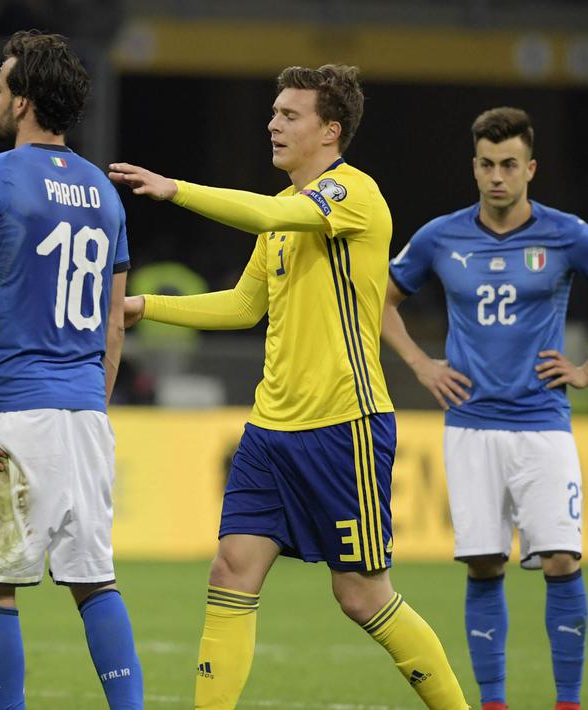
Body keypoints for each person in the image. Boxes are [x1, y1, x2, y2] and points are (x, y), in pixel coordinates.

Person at [110, 65, 469, 709]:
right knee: (232, 571)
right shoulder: (282, 218)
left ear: (330, 131)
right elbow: (246, 307)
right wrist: (146, 307)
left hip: (344, 425)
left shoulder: (354, 195)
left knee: (360, 595)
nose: (273, 123)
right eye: (273, 112)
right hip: (270, 430)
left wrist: (174, 189)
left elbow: (268, 213)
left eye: (290, 115)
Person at [382, 107, 588, 710]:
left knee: (560, 556)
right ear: (474, 167)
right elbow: (380, 299)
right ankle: (495, 703)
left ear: (531, 168)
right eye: (487, 164)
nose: (497, 176)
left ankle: (567, 702)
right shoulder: (440, 236)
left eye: (510, 165)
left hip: (541, 425)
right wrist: (423, 364)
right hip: (470, 426)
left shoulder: (568, 235)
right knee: (483, 562)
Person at [0, 30, 142, 710]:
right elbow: (115, 318)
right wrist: (93, 398)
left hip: (11, 406)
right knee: (94, 579)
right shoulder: (105, 191)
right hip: (84, 410)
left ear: (24, 101)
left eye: (1, 86)